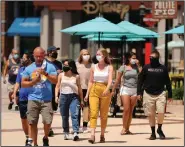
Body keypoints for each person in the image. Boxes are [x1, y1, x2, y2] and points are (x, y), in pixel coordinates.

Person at [21, 47, 57, 146]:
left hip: (46, 99)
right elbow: (23, 83)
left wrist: (45, 74)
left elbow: (55, 81)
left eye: (40, 56)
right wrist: (33, 82)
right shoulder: (29, 68)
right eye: (36, 56)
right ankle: (35, 143)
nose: (38, 58)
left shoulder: (50, 67)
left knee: (47, 121)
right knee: (32, 122)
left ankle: (45, 137)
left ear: (44, 55)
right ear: (33, 55)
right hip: (33, 98)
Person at [137, 50, 172, 140]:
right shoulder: (146, 67)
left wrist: (170, 94)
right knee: (151, 114)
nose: (150, 59)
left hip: (160, 93)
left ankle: (159, 129)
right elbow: (140, 80)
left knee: (161, 112)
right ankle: (153, 133)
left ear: (157, 58)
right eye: (150, 57)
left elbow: (168, 82)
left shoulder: (163, 68)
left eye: (152, 58)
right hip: (148, 93)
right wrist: (139, 93)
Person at [85, 48, 113, 144]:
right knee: (93, 113)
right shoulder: (93, 66)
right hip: (94, 89)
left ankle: (102, 135)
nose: (98, 56)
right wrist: (87, 94)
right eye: (97, 54)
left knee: (104, 115)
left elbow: (110, 80)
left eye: (99, 54)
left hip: (105, 89)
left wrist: (107, 89)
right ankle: (92, 135)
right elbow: (90, 81)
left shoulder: (109, 67)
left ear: (104, 56)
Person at [111, 52, 142, 135]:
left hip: (135, 90)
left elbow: (142, 75)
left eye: (135, 58)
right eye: (133, 58)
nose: (134, 59)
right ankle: (124, 127)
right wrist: (113, 90)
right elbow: (117, 80)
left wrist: (139, 65)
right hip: (125, 89)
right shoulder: (123, 67)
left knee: (131, 111)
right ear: (128, 58)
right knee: (126, 109)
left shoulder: (137, 67)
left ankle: (127, 129)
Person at [55, 59, 83, 141]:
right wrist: (56, 96)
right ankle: (66, 132)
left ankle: (75, 132)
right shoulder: (61, 75)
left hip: (74, 97)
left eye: (66, 65)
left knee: (74, 114)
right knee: (64, 116)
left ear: (71, 66)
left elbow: (80, 88)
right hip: (63, 96)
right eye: (64, 65)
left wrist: (81, 100)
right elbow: (57, 86)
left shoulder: (76, 76)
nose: (64, 67)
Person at [12, 53, 32, 146]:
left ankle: (30, 140)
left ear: (29, 59)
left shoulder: (34, 69)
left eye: (24, 58)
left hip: (32, 98)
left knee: (30, 120)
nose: (22, 60)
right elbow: (17, 83)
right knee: (23, 120)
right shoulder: (21, 70)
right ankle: (27, 136)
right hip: (22, 98)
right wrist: (14, 93)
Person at [46, 46, 62, 137]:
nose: (56, 53)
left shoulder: (59, 64)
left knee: (51, 110)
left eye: (56, 51)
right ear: (49, 52)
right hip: (45, 89)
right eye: (54, 51)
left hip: (54, 89)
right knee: (46, 110)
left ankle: (49, 127)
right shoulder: (44, 63)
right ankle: (48, 127)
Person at [76, 49, 92, 133]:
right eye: (84, 54)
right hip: (78, 89)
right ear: (81, 55)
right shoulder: (77, 65)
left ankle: (85, 126)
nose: (86, 55)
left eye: (87, 54)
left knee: (86, 108)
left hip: (88, 89)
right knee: (77, 108)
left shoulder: (92, 65)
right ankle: (77, 126)